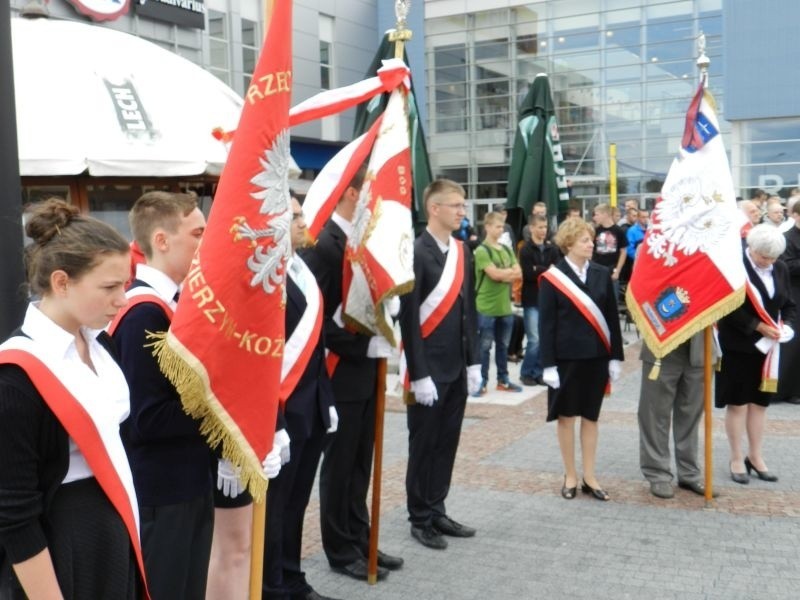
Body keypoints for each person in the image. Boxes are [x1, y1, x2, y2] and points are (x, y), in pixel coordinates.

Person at [0, 199, 143, 598]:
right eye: (110, 287)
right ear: (62, 282)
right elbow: (14, 515)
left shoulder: (101, 345)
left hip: (113, 528)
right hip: (62, 542)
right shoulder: (15, 375)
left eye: (126, 286)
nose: (122, 300)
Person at [110, 191, 215, 599]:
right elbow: (147, 418)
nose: (206, 245)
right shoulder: (144, 314)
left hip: (187, 481)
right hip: (161, 490)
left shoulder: (177, 304)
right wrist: (217, 405)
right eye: (197, 234)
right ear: (162, 240)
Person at [302, 169, 403, 582]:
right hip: (339, 373)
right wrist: (364, 345)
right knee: (341, 465)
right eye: (368, 194)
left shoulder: (359, 244)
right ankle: (340, 549)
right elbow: (316, 319)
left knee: (362, 462)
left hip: (364, 373)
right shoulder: (325, 245)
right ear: (350, 194)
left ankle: (361, 536)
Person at [262, 197, 340, 600]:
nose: (302, 222)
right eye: (293, 216)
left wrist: (326, 401)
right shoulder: (263, 275)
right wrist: (272, 420)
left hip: (309, 406)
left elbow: (316, 344)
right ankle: (271, 585)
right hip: (278, 414)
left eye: (300, 215)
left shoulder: (303, 269)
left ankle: (292, 576)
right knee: (274, 507)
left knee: (296, 503)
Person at [399, 178, 481, 551]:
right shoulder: (416, 251)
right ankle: (419, 517)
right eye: (456, 206)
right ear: (434, 209)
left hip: (456, 368)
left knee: (447, 443)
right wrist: (418, 374)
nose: (462, 212)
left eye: (463, 206)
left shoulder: (464, 252)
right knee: (424, 445)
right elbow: (410, 318)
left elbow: (469, 310)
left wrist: (474, 361)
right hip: (428, 372)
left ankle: (437, 508)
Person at [538, 218, 624, 501]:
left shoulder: (601, 273)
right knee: (566, 418)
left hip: (597, 358)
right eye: (586, 240)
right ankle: (570, 475)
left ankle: (590, 476)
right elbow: (547, 324)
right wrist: (548, 364)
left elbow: (612, 318)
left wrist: (615, 357)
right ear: (569, 243)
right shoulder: (554, 278)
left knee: (591, 417)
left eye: (591, 239)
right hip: (565, 360)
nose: (592, 244)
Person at [716, 224, 796, 484]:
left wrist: (788, 327)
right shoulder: (736, 266)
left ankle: (756, 456)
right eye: (764, 257)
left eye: (772, 258)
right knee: (738, 403)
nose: (768, 262)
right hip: (738, 346)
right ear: (751, 249)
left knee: (760, 404)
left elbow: (788, 304)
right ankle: (736, 457)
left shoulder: (780, 268)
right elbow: (727, 306)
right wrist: (757, 325)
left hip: (769, 350)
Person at [638, 334, 716, 499]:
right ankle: (657, 474)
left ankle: (689, 473)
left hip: (701, 347)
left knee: (691, 417)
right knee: (655, 415)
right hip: (662, 345)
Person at [473, 211, 523, 395]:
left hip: (504, 307)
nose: (501, 230)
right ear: (487, 227)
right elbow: (493, 275)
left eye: (502, 226)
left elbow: (518, 273)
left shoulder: (507, 249)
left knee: (503, 345)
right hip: (486, 307)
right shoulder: (481, 250)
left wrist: (504, 274)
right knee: (484, 347)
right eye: (497, 226)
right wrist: (506, 274)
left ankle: (503, 380)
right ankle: (482, 382)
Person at [518, 214, 560, 386]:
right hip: (531, 298)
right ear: (532, 228)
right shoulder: (526, 249)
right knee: (534, 339)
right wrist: (546, 269)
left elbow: (556, 271)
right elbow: (528, 273)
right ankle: (527, 372)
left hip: (548, 298)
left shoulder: (553, 249)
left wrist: (539, 269)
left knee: (545, 337)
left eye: (545, 228)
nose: (543, 231)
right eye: (540, 227)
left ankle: (540, 372)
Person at [778, 200, 800, 404]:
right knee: (794, 344)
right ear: (795, 216)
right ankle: (789, 389)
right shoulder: (787, 238)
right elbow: (786, 265)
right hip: (795, 294)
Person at [591, 203, 628, 301]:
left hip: (612, 270)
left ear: (605, 214)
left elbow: (623, 252)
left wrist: (617, 271)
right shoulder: (595, 231)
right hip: (597, 269)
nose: (595, 218)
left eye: (597, 214)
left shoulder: (618, 231)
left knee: (612, 300)